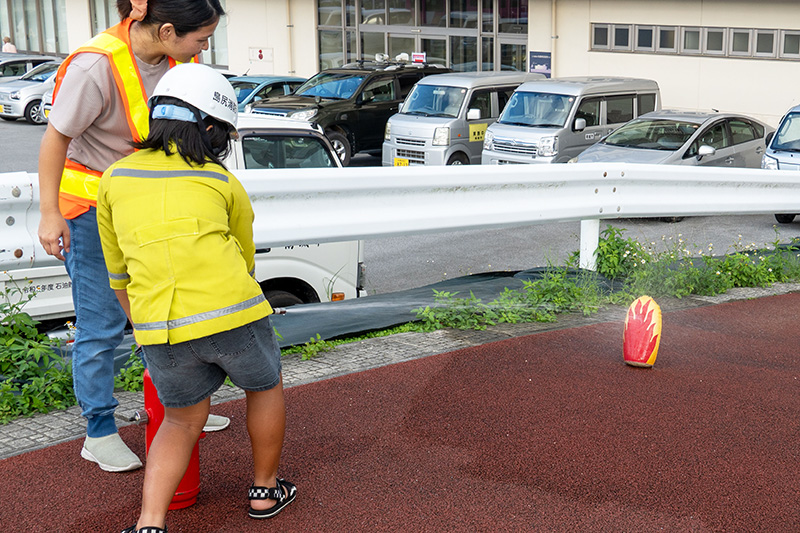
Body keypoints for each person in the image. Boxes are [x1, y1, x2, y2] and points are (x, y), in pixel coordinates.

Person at [97, 63, 295, 533]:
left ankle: (149, 523)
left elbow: (119, 274)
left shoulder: (113, 180)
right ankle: (265, 490)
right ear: (208, 129)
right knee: (264, 387)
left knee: (180, 421)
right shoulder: (221, 181)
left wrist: (142, 329)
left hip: (160, 327)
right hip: (232, 313)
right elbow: (244, 259)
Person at [37, 0, 229, 474]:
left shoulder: (179, 60)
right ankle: (99, 431)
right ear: (167, 31)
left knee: (166, 310)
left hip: (152, 209)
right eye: (201, 38)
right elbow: (55, 138)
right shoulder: (94, 67)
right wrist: (49, 214)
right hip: (91, 213)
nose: (204, 48)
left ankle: (178, 406)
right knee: (102, 323)